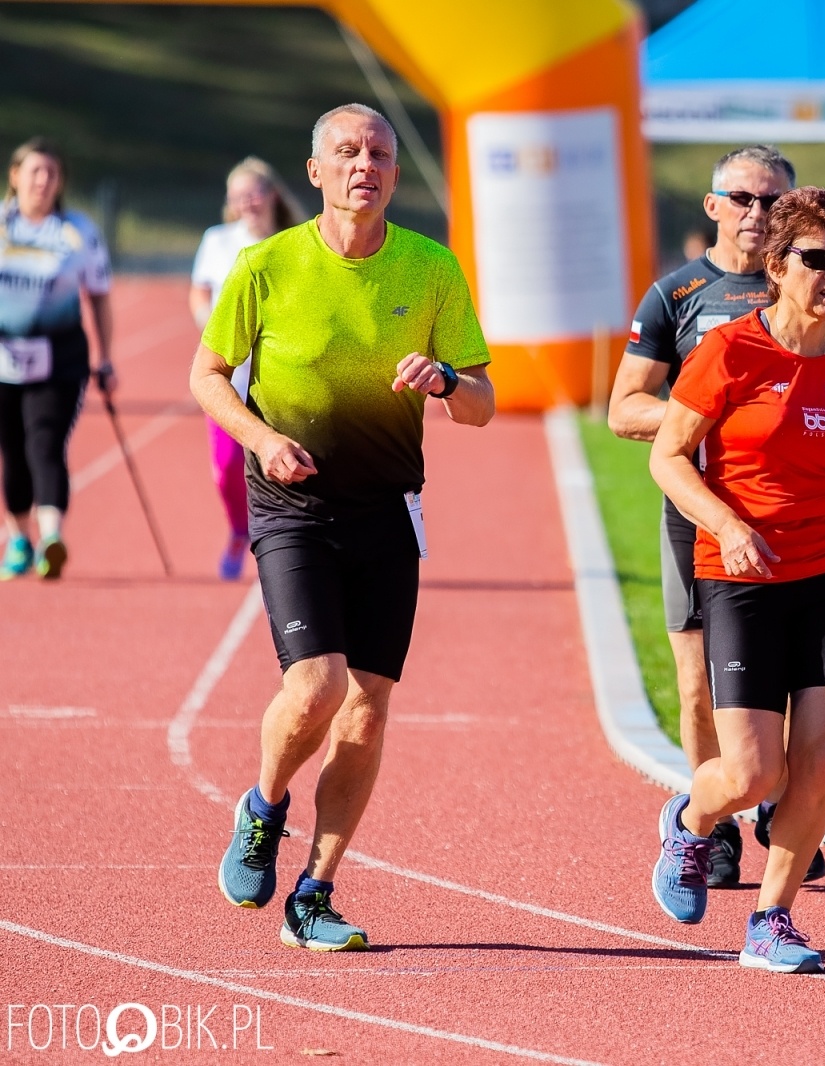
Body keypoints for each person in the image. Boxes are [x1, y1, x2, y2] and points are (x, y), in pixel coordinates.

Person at [192, 103, 494, 951]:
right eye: (348, 152)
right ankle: (263, 805)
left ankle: (314, 893)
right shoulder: (267, 264)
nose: (366, 164)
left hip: (388, 510)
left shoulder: (431, 270)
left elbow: (482, 405)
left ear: (396, 175)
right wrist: (259, 437)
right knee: (317, 687)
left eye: (381, 153)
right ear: (316, 171)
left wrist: (442, 381)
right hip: (293, 502)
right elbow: (209, 374)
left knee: (367, 712)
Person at [648, 187, 825, 974]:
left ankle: (772, 920)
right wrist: (727, 525)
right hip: (740, 577)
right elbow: (668, 457)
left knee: (820, 765)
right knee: (756, 772)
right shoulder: (729, 349)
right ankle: (692, 821)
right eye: (816, 259)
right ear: (777, 262)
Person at [610, 145, 825, 888]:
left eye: (773, 203)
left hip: (799, 514)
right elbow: (623, 408)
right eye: (742, 199)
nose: (757, 214)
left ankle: (776, 799)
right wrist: (707, 411)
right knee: (698, 679)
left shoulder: (808, 290)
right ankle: (719, 822)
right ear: (713, 206)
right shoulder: (676, 295)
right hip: (701, 514)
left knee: (808, 678)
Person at [0, 137, 115, 580]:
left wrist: (106, 358)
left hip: (59, 356)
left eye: (52, 173)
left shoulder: (77, 232)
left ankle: (51, 538)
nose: (43, 181)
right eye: (35, 172)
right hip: (4, 357)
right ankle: (18, 539)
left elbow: (100, 296)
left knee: (44, 441)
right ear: (16, 176)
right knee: (12, 450)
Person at [189, 156, 305, 581]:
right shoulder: (218, 241)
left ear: (272, 193)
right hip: (229, 379)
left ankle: (282, 544)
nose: (247, 203)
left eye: (254, 193)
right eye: (238, 197)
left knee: (283, 464)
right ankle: (240, 529)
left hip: (281, 379)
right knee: (225, 471)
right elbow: (199, 296)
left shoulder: (296, 241)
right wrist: (216, 329)